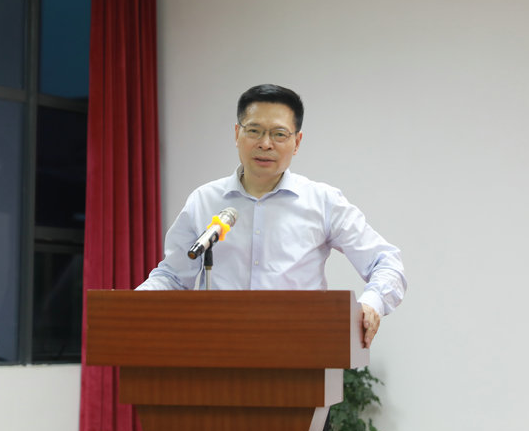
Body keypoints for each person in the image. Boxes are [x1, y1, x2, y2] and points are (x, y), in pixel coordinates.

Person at [137, 84, 407, 349]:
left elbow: (386, 262)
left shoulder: (323, 201)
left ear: (297, 142)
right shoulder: (204, 200)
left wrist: (372, 303)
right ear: (237, 134)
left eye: (279, 134)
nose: (265, 144)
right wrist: (133, 302)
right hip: (218, 352)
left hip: (299, 352)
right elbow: (173, 277)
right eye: (254, 131)